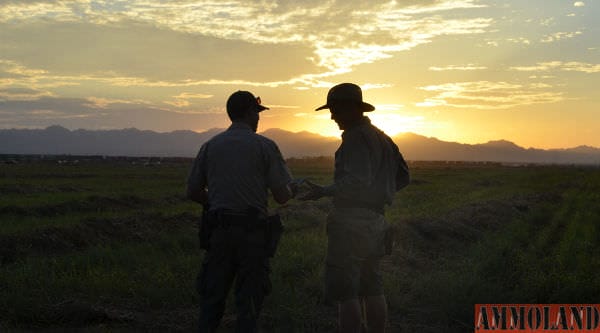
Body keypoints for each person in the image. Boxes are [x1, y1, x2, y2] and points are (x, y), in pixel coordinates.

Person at [298, 83, 409, 333]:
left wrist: (323, 191)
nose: (332, 116)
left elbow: (358, 180)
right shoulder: (383, 137)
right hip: (376, 222)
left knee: (346, 292)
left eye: (335, 109)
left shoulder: (355, 137)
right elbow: (403, 177)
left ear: (350, 108)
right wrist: (379, 197)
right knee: (372, 286)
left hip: (351, 224)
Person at [187, 90, 296, 332]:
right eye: (257, 113)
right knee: (249, 307)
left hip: (219, 233)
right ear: (248, 113)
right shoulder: (265, 146)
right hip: (253, 236)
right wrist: (292, 189)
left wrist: (214, 203)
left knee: (211, 302)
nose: (259, 118)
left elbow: (193, 191)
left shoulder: (210, 146)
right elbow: (282, 196)